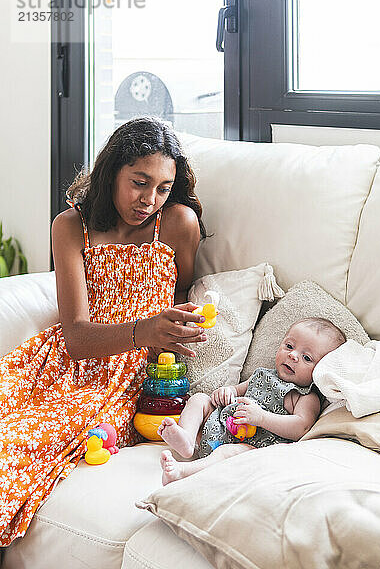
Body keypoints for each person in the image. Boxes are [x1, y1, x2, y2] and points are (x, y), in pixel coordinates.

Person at [0, 117, 208, 545]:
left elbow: (184, 288)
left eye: (162, 188)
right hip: (63, 362)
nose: (149, 199)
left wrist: (167, 330)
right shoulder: (69, 227)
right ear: (113, 170)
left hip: (120, 381)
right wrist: (145, 329)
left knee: (22, 451)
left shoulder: (177, 224)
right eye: (139, 182)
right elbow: (75, 337)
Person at [159, 317, 346, 485]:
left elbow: (302, 428)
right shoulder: (261, 374)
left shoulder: (305, 396)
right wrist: (226, 391)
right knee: (199, 399)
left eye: (306, 357)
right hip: (220, 425)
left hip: (252, 444)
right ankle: (187, 440)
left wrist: (262, 418)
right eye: (289, 346)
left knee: (227, 453)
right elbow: (237, 390)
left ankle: (183, 472)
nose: (293, 355)